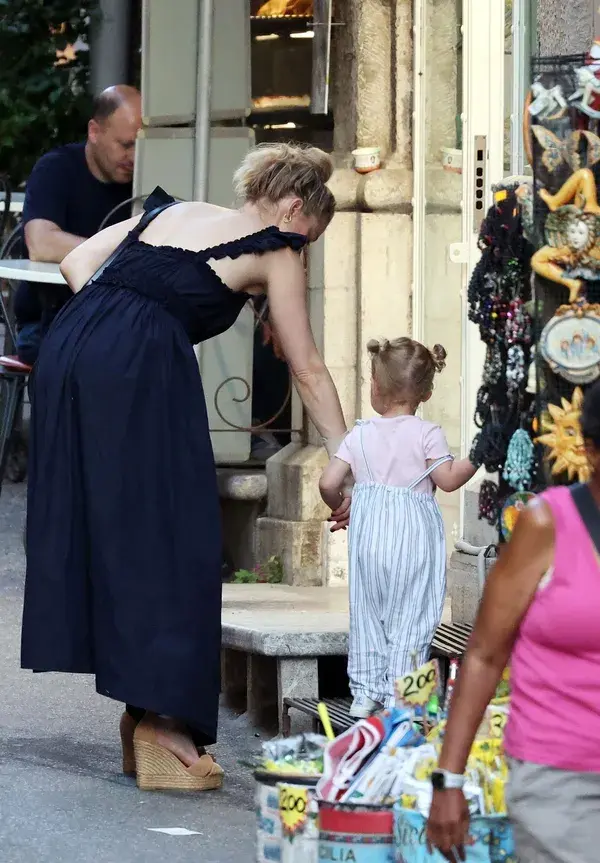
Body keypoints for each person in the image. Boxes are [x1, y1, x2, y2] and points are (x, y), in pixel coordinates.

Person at [21, 143, 350, 793]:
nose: (302, 253)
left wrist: (119, 320)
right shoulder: (275, 242)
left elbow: (80, 262)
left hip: (74, 344)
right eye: (308, 237)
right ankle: (163, 726)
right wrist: (348, 452)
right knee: (180, 538)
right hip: (139, 362)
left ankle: (145, 712)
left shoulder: (170, 210)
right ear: (294, 208)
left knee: (125, 529)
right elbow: (306, 366)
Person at [426, 381, 600, 862]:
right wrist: (450, 778)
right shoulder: (547, 525)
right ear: (590, 451)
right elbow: (484, 652)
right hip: (563, 784)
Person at [319, 337, 477, 718]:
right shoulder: (426, 434)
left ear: (376, 385)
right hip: (413, 542)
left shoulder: (359, 434)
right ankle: (403, 701)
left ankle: (364, 694)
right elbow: (450, 479)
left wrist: (341, 506)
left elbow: (327, 481)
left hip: (370, 539)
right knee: (413, 618)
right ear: (425, 392)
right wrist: (484, 452)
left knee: (369, 614)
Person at [14, 85, 141, 365]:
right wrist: (125, 250)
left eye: (141, 146)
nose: (134, 157)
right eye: (125, 144)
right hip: (50, 321)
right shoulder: (56, 169)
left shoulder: (145, 178)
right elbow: (41, 244)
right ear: (94, 132)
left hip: (117, 320)